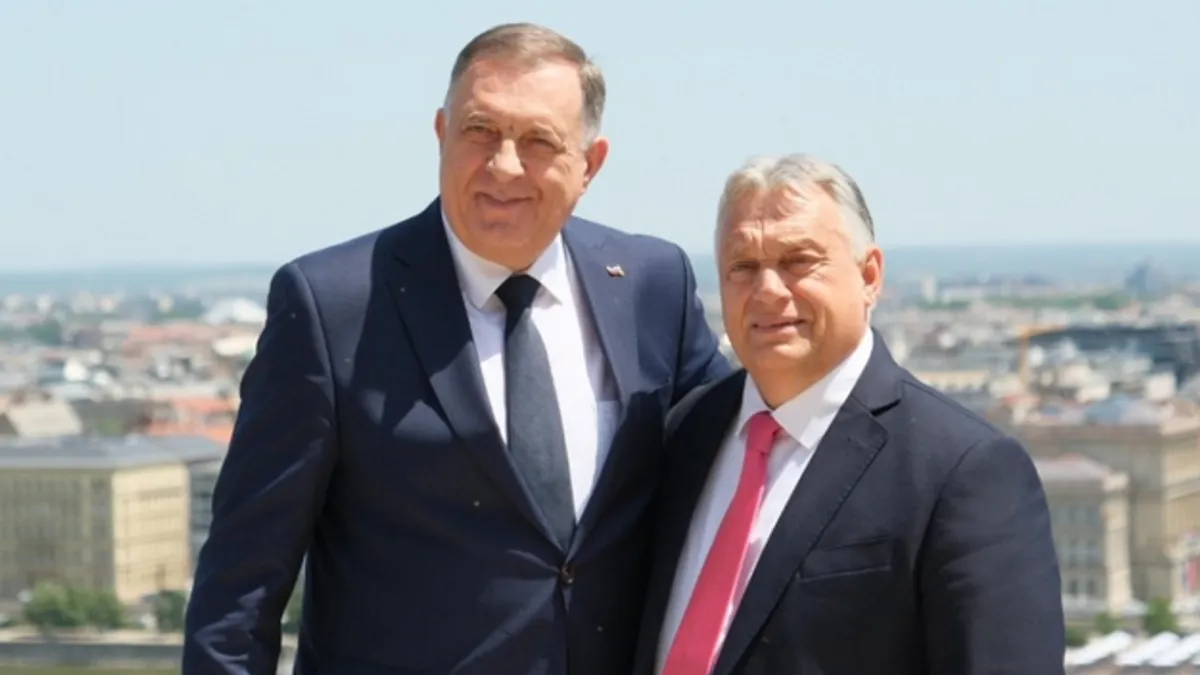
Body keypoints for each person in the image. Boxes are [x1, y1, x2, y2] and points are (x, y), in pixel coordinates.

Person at [183, 22, 729, 675]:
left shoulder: (651, 286)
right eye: (480, 130)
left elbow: (742, 459)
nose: (504, 165)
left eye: (539, 141)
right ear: (441, 132)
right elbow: (238, 588)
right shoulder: (333, 307)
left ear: (591, 163)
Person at [632, 154, 1065, 675]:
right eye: (742, 267)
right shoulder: (686, 432)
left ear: (869, 275)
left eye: (798, 261)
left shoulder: (963, 470)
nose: (767, 290)